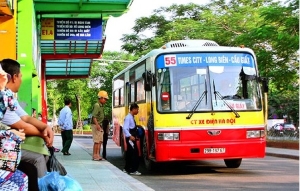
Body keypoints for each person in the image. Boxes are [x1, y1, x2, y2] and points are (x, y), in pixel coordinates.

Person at [0, 58, 54, 179]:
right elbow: (22, 126)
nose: (21, 80)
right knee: (38, 157)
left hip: (6, 143)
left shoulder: (8, 96)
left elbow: (25, 118)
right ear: (13, 77)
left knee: (41, 154)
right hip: (4, 147)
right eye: (20, 76)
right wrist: (43, 134)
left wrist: (45, 127)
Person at [0, 62, 28, 190]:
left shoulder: (4, 96)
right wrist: (9, 133)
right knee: (20, 180)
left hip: (5, 159)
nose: (4, 77)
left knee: (23, 177)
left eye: (4, 74)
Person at [123, 103, 141, 176]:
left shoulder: (131, 117)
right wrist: (130, 136)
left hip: (132, 138)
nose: (137, 111)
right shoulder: (128, 118)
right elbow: (125, 128)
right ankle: (133, 170)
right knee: (134, 154)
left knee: (129, 154)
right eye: (137, 109)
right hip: (130, 139)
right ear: (133, 109)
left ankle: (127, 168)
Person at [91, 90, 108, 161]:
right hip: (96, 125)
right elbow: (94, 117)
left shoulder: (101, 106)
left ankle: (98, 155)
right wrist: (97, 125)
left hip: (99, 125)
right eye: (105, 99)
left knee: (100, 141)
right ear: (101, 98)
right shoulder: (97, 105)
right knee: (97, 141)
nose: (106, 101)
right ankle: (95, 155)